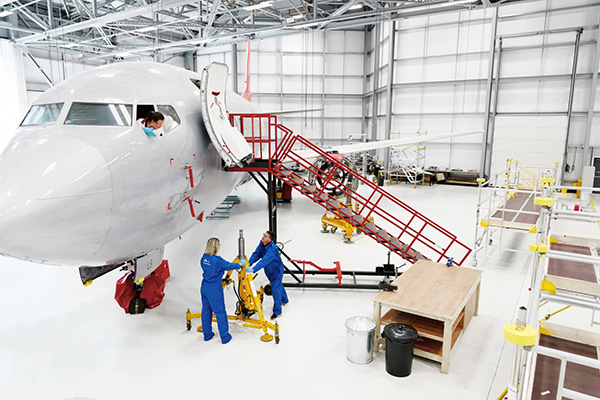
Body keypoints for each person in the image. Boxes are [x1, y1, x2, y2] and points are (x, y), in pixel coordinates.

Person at [200, 237, 246, 344]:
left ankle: (207, 335)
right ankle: (225, 337)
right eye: (219, 245)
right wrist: (239, 264)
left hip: (204, 287)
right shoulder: (216, 261)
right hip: (214, 289)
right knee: (220, 312)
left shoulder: (204, 258)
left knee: (206, 311)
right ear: (216, 247)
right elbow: (228, 265)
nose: (220, 246)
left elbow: (219, 262)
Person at [246, 231, 289, 320]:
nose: (263, 237)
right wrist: (249, 263)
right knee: (278, 285)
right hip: (269, 270)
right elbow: (257, 254)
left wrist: (253, 269)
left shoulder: (272, 249)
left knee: (275, 289)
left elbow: (264, 261)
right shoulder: (262, 244)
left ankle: (278, 312)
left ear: (269, 240)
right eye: (263, 235)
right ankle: (285, 300)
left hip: (276, 270)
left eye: (265, 236)